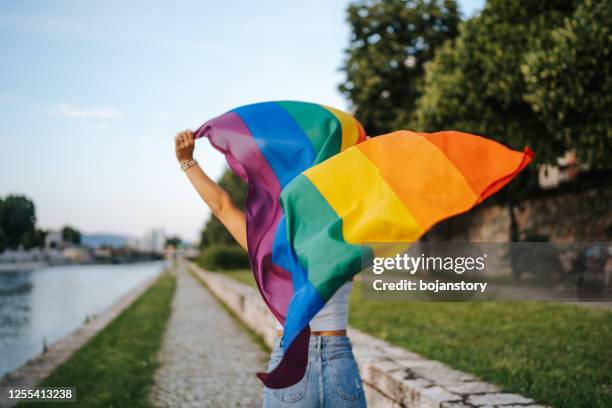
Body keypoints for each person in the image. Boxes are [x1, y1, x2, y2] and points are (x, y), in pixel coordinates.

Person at [175, 129, 367, 407]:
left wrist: (187, 162)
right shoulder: (347, 237)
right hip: (340, 363)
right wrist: (367, 158)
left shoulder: (272, 248)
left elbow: (222, 207)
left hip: (291, 362)